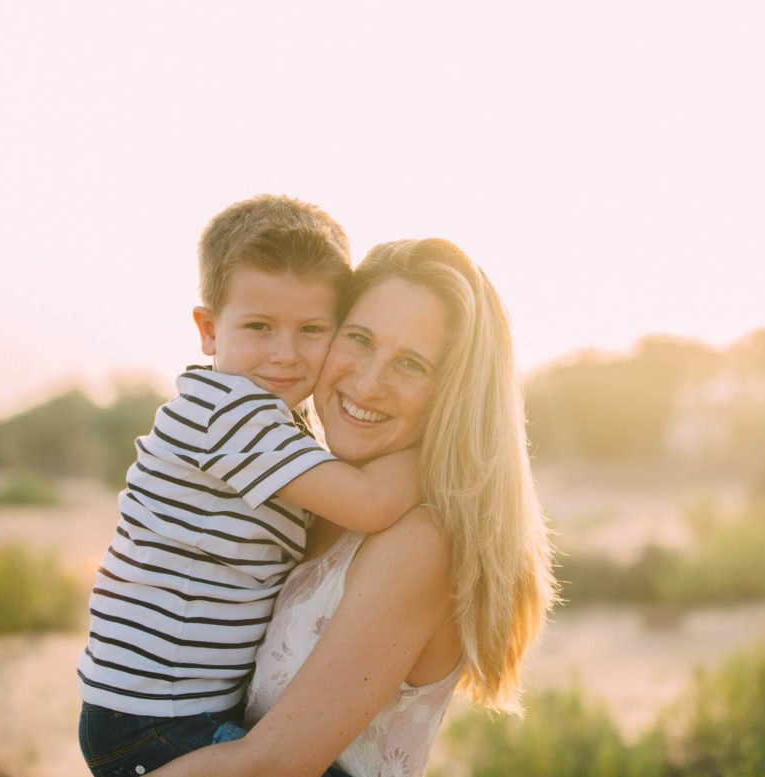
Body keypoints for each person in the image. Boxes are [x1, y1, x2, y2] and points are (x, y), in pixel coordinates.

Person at [151, 237, 557, 777]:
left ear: (452, 394)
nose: (368, 383)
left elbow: (272, 764)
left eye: (411, 364)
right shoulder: (313, 498)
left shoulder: (417, 541)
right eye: (359, 339)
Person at [77, 195, 423, 777]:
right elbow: (373, 503)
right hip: (154, 720)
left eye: (312, 329)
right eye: (259, 327)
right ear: (209, 330)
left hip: (161, 710)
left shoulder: (274, 422)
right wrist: (446, 443)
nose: (284, 354)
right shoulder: (229, 411)